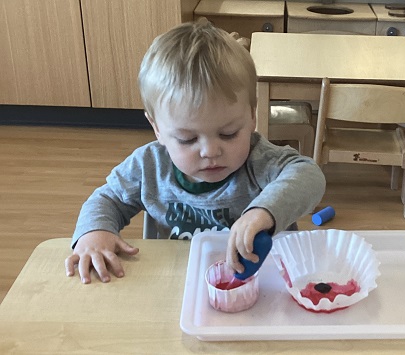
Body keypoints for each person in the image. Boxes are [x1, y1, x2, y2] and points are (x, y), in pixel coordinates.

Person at [65, 20, 326, 284]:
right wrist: (94, 232)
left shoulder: (260, 161)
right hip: (177, 283)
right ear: (157, 129)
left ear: (252, 117)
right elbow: (107, 199)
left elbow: (309, 176)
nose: (210, 151)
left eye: (229, 133)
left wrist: (264, 212)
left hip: (264, 285)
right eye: (187, 139)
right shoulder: (149, 166)